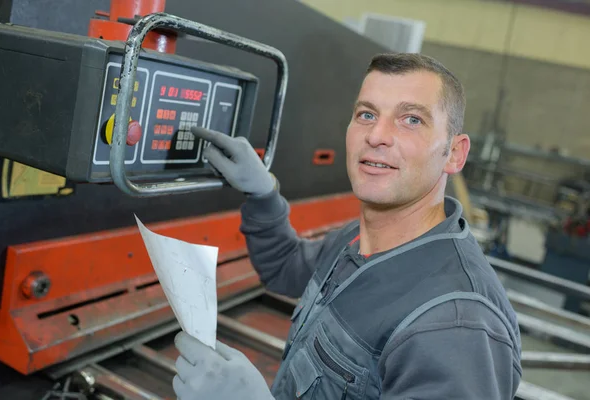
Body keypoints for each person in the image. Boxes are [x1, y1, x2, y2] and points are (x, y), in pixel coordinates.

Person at [172, 53, 522, 399]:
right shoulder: (358, 239)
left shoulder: (456, 325)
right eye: (366, 114)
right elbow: (285, 267)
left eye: (411, 120)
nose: (377, 135)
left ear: (454, 154)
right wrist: (263, 194)